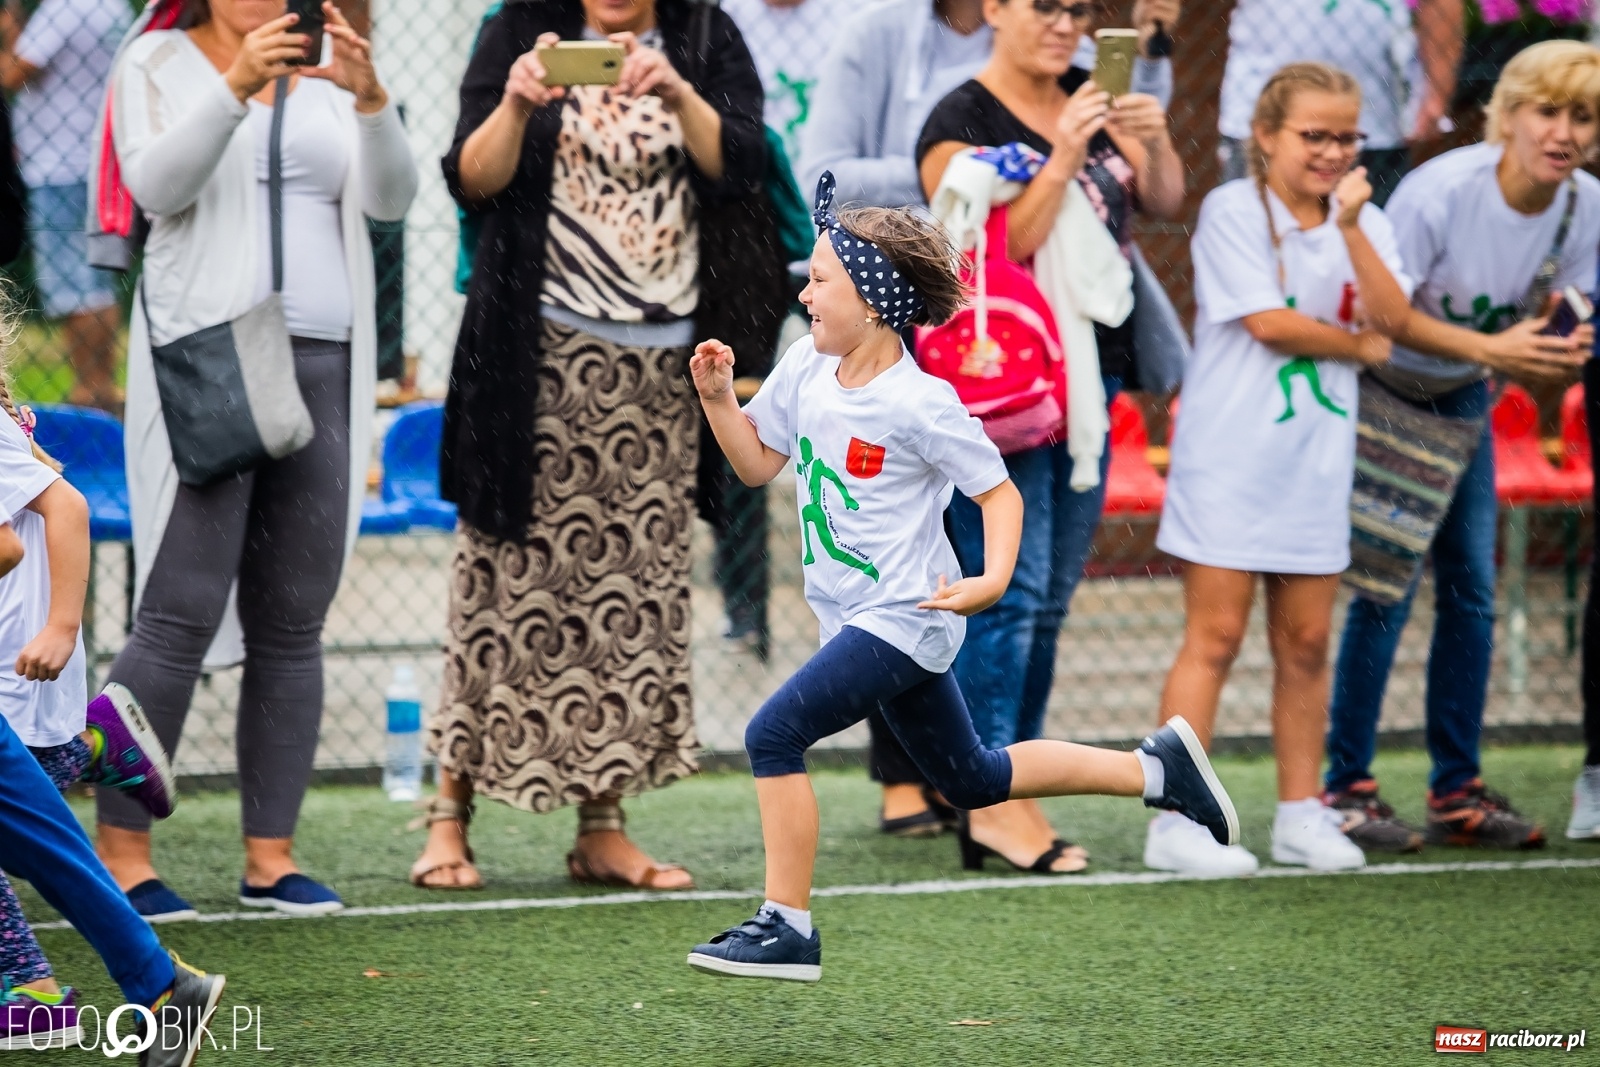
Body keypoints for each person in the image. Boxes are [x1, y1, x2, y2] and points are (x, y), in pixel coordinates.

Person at [681, 176, 1239, 983]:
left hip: (906, 616)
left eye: (822, 279)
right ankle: (1157, 769)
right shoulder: (805, 367)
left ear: (873, 301)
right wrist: (716, 400)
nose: (803, 288)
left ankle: (786, 925)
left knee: (773, 734)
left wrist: (992, 577)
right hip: (859, 617)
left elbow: (998, 492)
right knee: (972, 777)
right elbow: (758, 462)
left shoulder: (922, 402)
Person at [415, 0, 767, 892]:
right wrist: (519, 102)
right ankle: (449, 818)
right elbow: (471, 178)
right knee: (500, 584)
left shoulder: (703, 35)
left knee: (634, 595)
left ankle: (603, 826)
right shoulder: (519, 28)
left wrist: (682, 94)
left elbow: (743, 168)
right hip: (535, 366)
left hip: (660, 376)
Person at [91, 0, 417, 921]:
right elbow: (157, 186)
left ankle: (270, 855)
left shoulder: (321, 75)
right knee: (177, 609)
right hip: (212, 356)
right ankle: (123, 852)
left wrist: (369, 100)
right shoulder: (154, 60)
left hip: (325, 360)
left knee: (292, 616)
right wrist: (235, 86)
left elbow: (389, 202)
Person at [912, 0, 1184, 872]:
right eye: (1046, 6)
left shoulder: (1087, 94)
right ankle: (988, 796)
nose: (1067, 25)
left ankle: (1009, 781)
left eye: (1080, 10)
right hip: (1005, 380)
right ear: (993, 8)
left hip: (1090, 378)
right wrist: (1067, 149)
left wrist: (1153, 136)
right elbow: (995, 248)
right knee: (1009, 593)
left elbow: (1164, 200)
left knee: (1052, 598)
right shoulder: (956, 118)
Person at [1324, 40, 1600, 852]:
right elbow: (1386, 317)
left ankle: (1457, 790)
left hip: (1464, 395)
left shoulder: (1585, 205)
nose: (1563, 131)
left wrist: (1560, 345)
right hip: (1386, 386)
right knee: (1386, 589)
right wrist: (1497, 353)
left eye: (1581, 116)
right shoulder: (1441, 190)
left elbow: (1567, 314)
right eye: (1546, 111)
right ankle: (1349, 789)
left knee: (1473, 591)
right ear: (1505, 117)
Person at [1149, 63, 1414, 876]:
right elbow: (1268, 323)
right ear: (1265, 137)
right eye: (1314, 135)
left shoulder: (1365, 217)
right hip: (1229, 460)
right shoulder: (1233, 208)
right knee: (1217, 636)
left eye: (1347, 137)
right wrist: (1357, 346)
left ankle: (1302, 813)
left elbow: (1394, 319)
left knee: (1305, 644)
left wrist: (1355, 229)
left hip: (1315, 467)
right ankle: (1176, 823)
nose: (1332, 151)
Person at [0, 376, 185, 1046]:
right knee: (27, 817)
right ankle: (97, 746)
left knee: (24, 821)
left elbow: (50, 519)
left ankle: (32, 992)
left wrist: (62, 626)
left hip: (19, 654)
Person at [0, 0, 131, 411]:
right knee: (93, 282)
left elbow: (14, 72)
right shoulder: (114, 7)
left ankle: (89, 390)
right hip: (93, 159)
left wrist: (8, 28)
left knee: (74, 285)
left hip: (58, 164)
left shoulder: (68, 5)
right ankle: (99, 387)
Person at [1215, 0, 1464, 206]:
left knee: (1368, 243)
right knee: (1258, 233)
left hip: (1378, 119)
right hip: (1265, 114)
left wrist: (1436, 96)